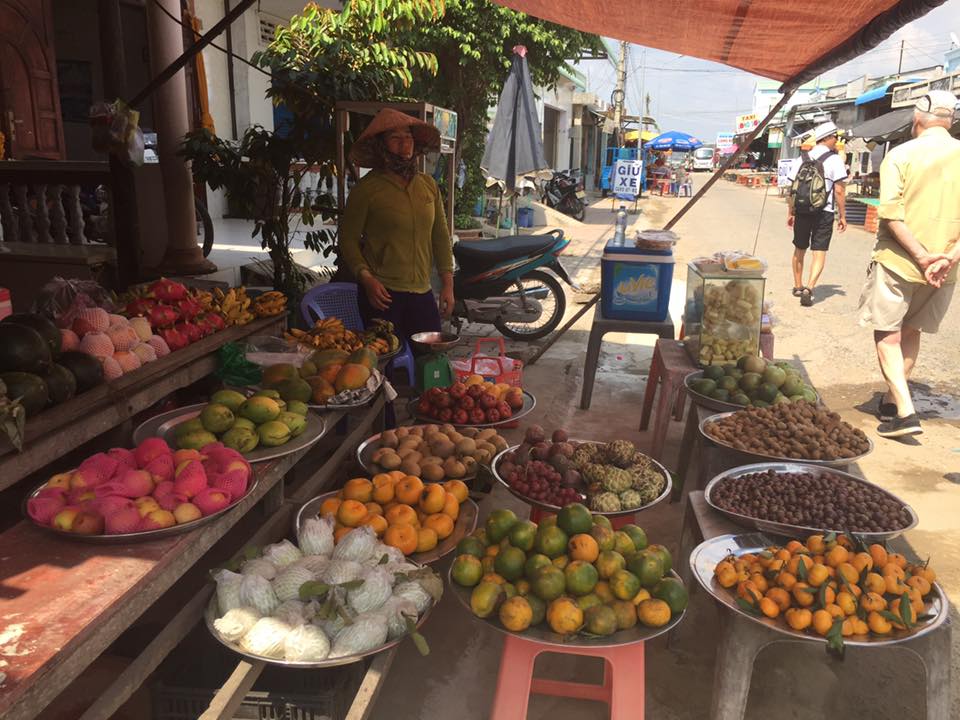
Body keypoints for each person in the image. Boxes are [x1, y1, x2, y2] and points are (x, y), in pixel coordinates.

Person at [857, 90, 960, 438]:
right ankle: (891, 400)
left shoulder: (900, 155)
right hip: (944, 268)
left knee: (888, 334)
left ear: (917, 119)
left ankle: (905, 411)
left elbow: (891, 214)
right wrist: (947, 258)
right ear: (951, 121)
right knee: (912, 331)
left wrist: (920, 255)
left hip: (898, 262)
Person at [338, 108, 454, 343]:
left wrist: (448, 284)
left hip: (422, 291)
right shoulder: (366, 189)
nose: (405, 145)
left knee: (430, 358)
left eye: (408, 137)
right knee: (385, 360)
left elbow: (441, 236)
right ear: (381, 145)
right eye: (395, 138)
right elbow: (348, 240)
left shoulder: (428, 185)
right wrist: (366, 278)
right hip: (382, 294)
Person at [786, 122, 848, 306]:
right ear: (827, 138)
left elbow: (791, 188)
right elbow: (839, 191)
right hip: (824, 211)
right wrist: (842, 216)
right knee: (819, 252)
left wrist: (791, 212)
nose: (837, 141)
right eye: (835, 137)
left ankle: (798, 286)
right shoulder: (835, 160)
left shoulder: (802, 158)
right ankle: (810, 287)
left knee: (799, 248)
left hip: (802, 210)